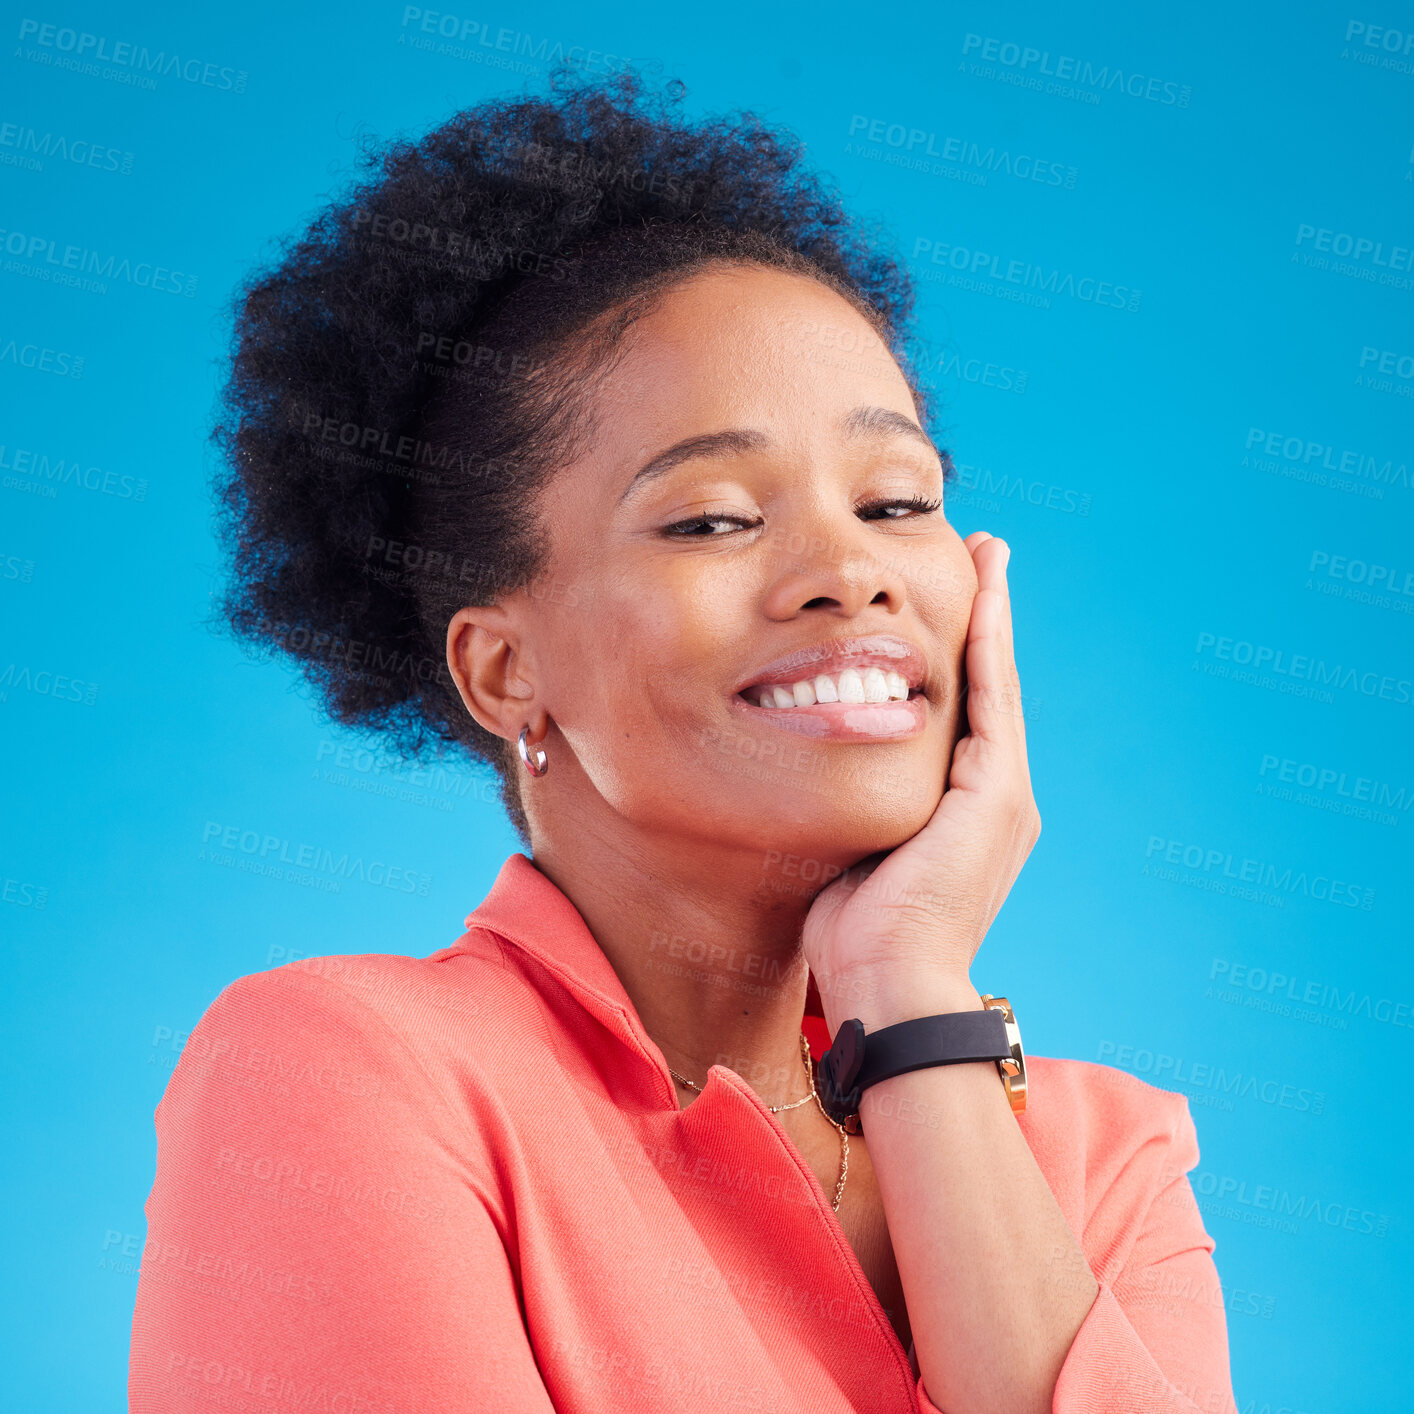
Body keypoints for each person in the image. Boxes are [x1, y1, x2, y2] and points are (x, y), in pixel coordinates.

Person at [129, 68, 1238, 1414]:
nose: (850, 571)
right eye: (711, 519)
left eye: (895, 501)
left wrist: (904, 986)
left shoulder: (1098, 1153)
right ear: (501, 667)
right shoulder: (349, 1071)